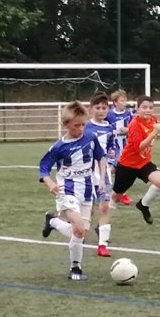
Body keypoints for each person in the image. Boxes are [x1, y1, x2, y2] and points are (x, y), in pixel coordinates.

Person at [39, 101, 107, 281]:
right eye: (76, 125)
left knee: (80, 233)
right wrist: (49, 182)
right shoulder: (59, 147)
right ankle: (75, 268)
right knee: (78, 226)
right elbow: (44, 167)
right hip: (66, 190)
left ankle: (52, 221)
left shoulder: (91, 138)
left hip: (86, 191)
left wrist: (100, 180)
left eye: (83, 124)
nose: (81, 128)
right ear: (66, 125)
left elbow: (100, 158)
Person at [110, 95, 160, 224]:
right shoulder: (134, 124)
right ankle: (103, 224)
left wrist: (154, 133)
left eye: (151, 108)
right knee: (116, 197)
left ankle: (143, 205)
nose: (148, 110)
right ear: (137, 108)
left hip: (144, 163)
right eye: (144, 107)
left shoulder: (153, 120)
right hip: (127, 165)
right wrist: (154, 133)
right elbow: (140, 148)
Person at [85, 92, 116, 257]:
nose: (101, 110)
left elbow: (113, 148)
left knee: (104, 207)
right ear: (91, 109)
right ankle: (80, 233)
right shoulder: (86, 127)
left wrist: (112, 163)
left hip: (104, 174)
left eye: (104, 108)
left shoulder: (110, 129)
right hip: (87, 174)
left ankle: (102, 245)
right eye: (97, 107)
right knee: (88, 210)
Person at [106, 89, 134, 205]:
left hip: (126, 146)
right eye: (122, 100)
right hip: (113, 146)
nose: (124, 103)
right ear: (115, 102)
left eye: (125, 100)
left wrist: (127, 130)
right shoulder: (109, 114)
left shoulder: (128, 114)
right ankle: (113, 193)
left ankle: (117, 192)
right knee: (111, 169)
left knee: (121, 170)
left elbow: (134, 128)